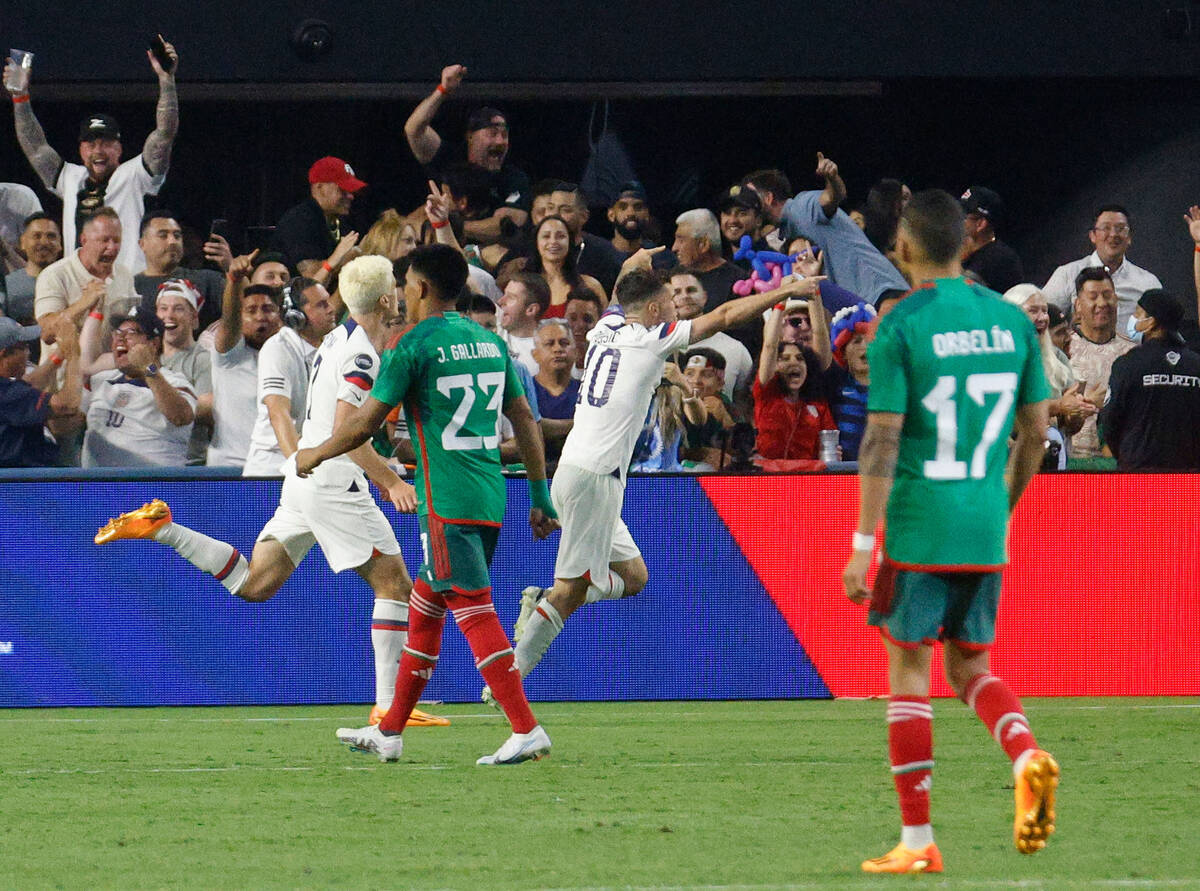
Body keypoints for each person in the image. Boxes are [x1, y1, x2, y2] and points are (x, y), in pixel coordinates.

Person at [94, 255, 447, 728]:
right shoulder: (362, 353)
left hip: (304, 481)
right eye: (396, 288)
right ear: (386, 299)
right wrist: (391, 480)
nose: (402, 295)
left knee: (254, 585)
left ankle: (164, 528)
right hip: (333, 481)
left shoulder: (338, 337)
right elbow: (347, 430)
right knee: (395, 586)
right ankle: (386, 703)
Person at [841, 189, 1056, 874]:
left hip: (918, 524)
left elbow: (881, 439)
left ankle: (916, 840)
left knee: (909, 669)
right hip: (984, 523)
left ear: (901, 247)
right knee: (971, 667)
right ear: (966, 244)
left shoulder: (901, 325)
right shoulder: (1012, 322)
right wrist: (1005, 506)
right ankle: (1026, 753)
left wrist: (862, 545)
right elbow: (1038, 431)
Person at [504, 249, 824, 703]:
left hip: (587, 472)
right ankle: (510, 678)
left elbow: (623, 293)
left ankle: (541, 603)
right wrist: (787, 290)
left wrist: (633, 263)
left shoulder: (606, 328)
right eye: (670, 303)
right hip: (593, 475)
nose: (676, 310)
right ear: (655, 312)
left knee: (634, 577)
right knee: (570, 592)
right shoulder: (648, 338)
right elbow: (727, 313)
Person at [294, 243, 557, 766]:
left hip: (445, 501)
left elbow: (368, 423)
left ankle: (525, 727)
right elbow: (526, 421)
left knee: (474, 611)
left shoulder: (411, 346)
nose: (401, 293)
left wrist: (316, 453)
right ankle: (390, 729)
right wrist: (539, 494)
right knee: (424, 608)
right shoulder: (488, 341)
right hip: (489, 495)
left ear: (420, 288)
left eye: (406, 283)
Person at [5, 40, 179, 272]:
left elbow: (165, 134)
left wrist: (167, 80)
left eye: (106, 143)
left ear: (119, 148)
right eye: (90, 143)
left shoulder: (135, 175)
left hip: (126, 292)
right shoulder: (70, 178)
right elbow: (35, 148)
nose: (98, 151)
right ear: (80, 150)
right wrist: (20, 97)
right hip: (78, 292)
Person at [744, 157, 910, 309]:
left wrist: (832, 177)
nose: (746, 204)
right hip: (865, 304)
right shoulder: (783, 232)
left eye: (750, 197)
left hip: (883, 293)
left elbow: (832, 197)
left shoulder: (800, 206)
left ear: (768, 198)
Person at [404, 64, 530, 244]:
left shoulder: (513, 178)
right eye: (492, 133)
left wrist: (449, 223)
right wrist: (443, 90)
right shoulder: (449, 158)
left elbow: (506, 227)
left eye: (504, 135)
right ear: (470, 137)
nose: (501, 141)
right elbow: (414, 129)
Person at [242, 277, 338, 476]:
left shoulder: (330, 348)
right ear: (296, 316)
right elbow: (278, 412)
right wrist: (298, 461)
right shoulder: (277, 349)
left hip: (307, 464)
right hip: (271, 470)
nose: (331, 309)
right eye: (321, 305)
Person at [80, 309, 196, 467]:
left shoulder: (174, 381)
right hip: (99, 488)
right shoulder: (100, 381)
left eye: (131, 333)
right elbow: (64, 423)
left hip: (152, 486)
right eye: (118, 333)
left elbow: (181, 417)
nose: (120, 339)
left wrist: (148, 367)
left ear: (153, 344)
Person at [1099, 289, 1200, 470]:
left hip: (1139, 474)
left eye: (1138, 313)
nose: (1133, 318)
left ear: (1151, 322)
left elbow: (1110, 421)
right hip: (1189, 478)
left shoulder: (1128, 364)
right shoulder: (1196, 365)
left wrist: (1127, 454)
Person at [207, 251, 283, 468]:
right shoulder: (230, 356)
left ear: (279, 316)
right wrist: (234, 280)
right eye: (251, 310)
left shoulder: (288, 355)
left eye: (268, 309)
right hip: (229, 469)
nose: (260, 316)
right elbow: (229, 318)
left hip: (274, 467)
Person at [1002, 284, 1091, 466]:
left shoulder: (1057, 358)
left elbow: (1070, 427)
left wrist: (1076, 412)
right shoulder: (995, 357)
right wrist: (1059, 406)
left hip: (1053, 460)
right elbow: (1007, 411)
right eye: (1033, 311)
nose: (1042, 318)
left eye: (1044, 311)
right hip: (1007, 462)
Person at [34, 207, 138, 357]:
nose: (112, 247)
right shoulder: (54, 275)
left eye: (117, 241)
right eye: (104, 240)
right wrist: (83, 303)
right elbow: (47, 334)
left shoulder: (124, 275)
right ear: (84, 240)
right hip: (64, 376)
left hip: (108, 374)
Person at [1041, 205, 1161, 332]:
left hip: (1134, 350)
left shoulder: (1148, 282)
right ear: (1092, 235)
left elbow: (1161, 331)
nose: (1113, 234)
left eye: (1120, 229)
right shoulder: (1068, 274)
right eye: (1106, 228)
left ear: (1129, 237)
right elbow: (1041, 317)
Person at [1066, 267, 1134, 459]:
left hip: (1119, 463)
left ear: (1117, 300)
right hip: (1070, 464)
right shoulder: (1063, 350)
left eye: (1107, 295)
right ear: (1078, 305)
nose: (1102, 303)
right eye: (1093, 296)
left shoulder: (1133, 354)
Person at [755, 306, 836, 462]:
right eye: (784, 359)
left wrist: (815, 294)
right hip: (768, 479)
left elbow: (819, 333)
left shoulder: (818, 405)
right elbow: (770, 346)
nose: (794, 362)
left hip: (806, 481)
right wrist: (781, 301)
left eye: (800, 358)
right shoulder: (766, 395)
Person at [669, 269, 753, 417]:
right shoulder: (656, 345)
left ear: (705, 297)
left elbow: (744, 403)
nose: (685, 296)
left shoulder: (735, 348)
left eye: (691, 290)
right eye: (677, 292)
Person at [0, 315, 82, 466]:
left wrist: (61, 352)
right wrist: (73, 355)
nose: (28, 353)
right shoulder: (7, 393)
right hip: (21, 483)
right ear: (4, 354)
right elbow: (67, 405)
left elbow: (28, 384)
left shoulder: (8, 389)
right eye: (24, 347)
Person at [135, 211, 231, 331]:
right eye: (163, 235)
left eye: (177, 235)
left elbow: (247, 305)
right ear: (143, 244)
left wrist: (232, 270)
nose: (172, 241)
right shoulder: (130, 286)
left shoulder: (207, 280)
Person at [271, 157, 366, 274]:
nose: (351, 196)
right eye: (343, 189)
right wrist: (353, 255)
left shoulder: (341, 222)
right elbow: (310, 277)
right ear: (319, 188)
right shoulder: (298, 221)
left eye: (351, 191)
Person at [523, 215, 607, 317]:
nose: (553, 241)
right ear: (536, 242)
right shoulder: (521, 287)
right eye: (546, 236)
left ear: (570, 242)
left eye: (560, 236)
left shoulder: (590, 286)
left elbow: (606, 328)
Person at [827, 302, 876, 462]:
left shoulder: (893, 387)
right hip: (845, 476)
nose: (865, 346)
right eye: (856, 341)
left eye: (869, 340)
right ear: (844, 353)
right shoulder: (835, 387)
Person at [529, 319, 579, 457]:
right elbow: (528, 429)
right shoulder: (524, 392)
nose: (558, 349)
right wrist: (579, 425)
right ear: (535, 354)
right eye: (549, 344)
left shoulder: (588, 392)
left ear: (575, 352)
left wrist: (545, 427)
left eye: (564, 343)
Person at [960, 187, 1024, 294]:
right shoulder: (965, 252)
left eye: (962, 215)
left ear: (980, 224)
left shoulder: (999, 258)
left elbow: (958, 293)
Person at [3, 212, 62, 330]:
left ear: (60, 243)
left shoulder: (71, 281)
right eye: (37, 236)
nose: (44, 242)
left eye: (51, 236)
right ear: (23, 242)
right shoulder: (6, 287)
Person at [497, 271, 548, 373]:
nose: (500, 301)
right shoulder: (493, 333)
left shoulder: (547, 351)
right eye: (504, 294)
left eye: (511, 297)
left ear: (531, 310)